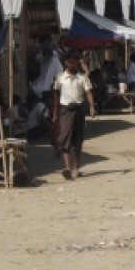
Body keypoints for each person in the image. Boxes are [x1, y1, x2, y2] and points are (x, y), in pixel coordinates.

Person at [52, 49, 96, 179]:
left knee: (78, 139)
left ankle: (76, 167)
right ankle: (67, 167)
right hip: (65, 110)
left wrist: (92, 107)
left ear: (77, 62)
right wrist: (55, 113)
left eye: (75, 62)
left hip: (79, 109)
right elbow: (56, 96)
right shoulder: (60, 78)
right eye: (70, 62)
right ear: (66, 62)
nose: (72, 64)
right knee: (65, 137)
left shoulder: (83, 77)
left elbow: (88, 93)